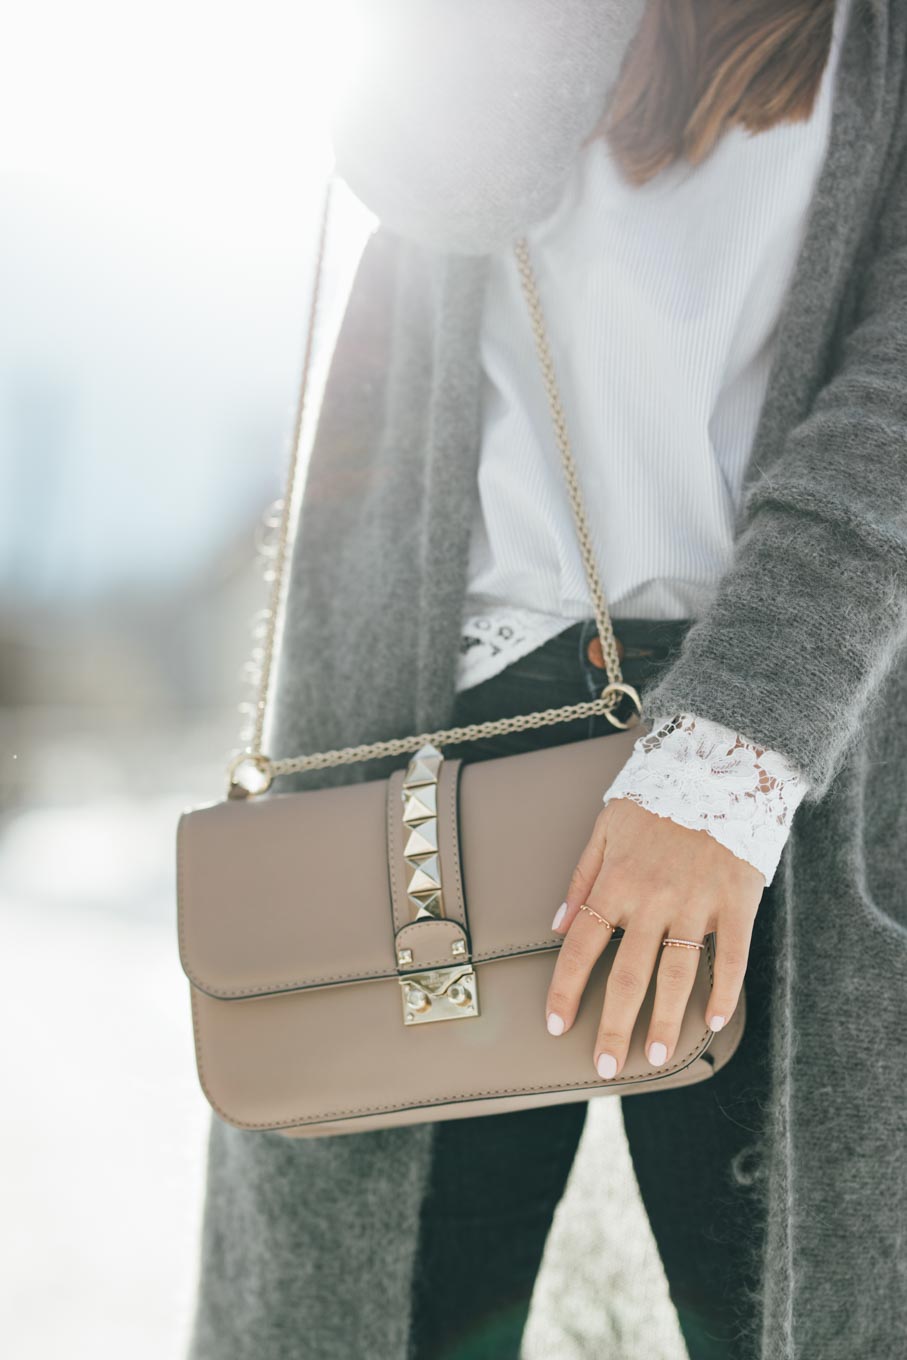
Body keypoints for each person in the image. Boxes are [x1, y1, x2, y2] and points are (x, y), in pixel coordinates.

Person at [186, 3, 907, 1358]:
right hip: (443, 727)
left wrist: (730, 754)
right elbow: (430, 168)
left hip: (791, 750)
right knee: (377, 1312)